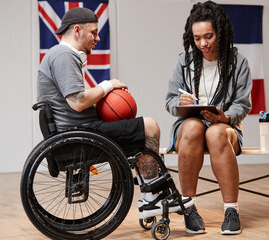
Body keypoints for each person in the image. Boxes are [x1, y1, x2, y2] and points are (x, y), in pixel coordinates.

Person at [37, 7, 193, 220]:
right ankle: (152, 197)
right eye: (93, 32)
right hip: (79, 135)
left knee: (138, 129)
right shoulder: (64, 55)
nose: (97, 37)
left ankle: (152, 192)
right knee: (149, 126)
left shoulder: (60, 55)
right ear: (76, 30)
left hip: (79, 131)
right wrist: (108, 85)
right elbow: (78, 102)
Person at [165, 1, 252, 235]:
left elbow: (242, 103)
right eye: (197, 38)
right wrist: (179, 103)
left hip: (224, 129)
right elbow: (170, 101)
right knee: (193, 127)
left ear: (220, 32)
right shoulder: (184, 61)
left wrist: (225, 118)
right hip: (189, 130)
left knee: (214, 132)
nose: (202, 43)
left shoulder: (238, 63)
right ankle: (188, 208)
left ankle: (231, 210)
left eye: (208, 36)